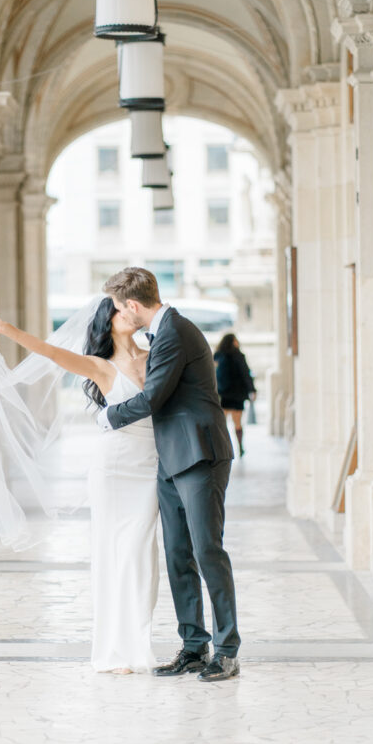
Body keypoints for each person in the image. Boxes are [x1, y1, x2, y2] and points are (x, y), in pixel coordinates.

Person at [0, 297, 160, 676]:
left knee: (142, 558)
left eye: (127, 308)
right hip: (114, 469)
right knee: (113, 556)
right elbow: (51, 353)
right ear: (106, 322)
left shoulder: (155, 353)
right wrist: (6, 329)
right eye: (116, 310)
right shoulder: (99, 365)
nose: (125, 313)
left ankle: (138, 643)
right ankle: (114, 651)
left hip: (151, 467)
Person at [99, 267, 241, 682]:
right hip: (171, 459)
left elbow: (153, 396)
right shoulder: (162, 332)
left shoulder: (176, 331)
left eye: (120, 308)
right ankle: (194, 647)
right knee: (178, 555)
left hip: (200, 456)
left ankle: (227, 650)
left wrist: (108, 417)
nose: (121, 315)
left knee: (207, 552)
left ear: (133, 305)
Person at [214, 334, 256, 458]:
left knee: (222, 423)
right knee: (237, 423)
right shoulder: (239, 356)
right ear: (233, 342)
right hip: (238, 394)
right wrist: (252, 389)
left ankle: (222, 448)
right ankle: (240, 447)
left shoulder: (218, 355)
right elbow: (245, 374)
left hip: (224, 394)